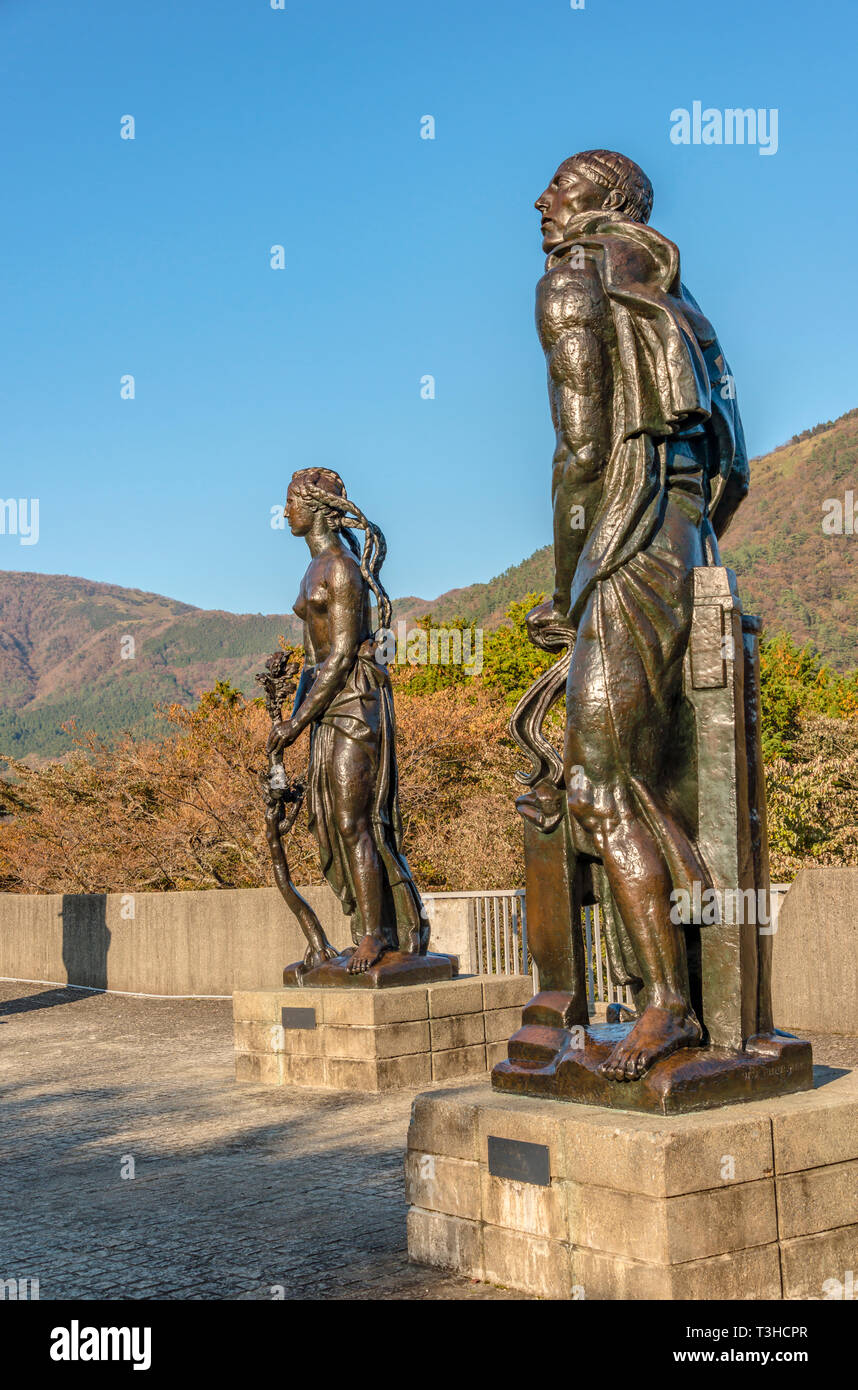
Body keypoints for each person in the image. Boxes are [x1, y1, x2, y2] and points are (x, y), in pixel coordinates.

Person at [267, 467, 427, 973]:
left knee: (354, 819)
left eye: (290, 501)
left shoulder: (340, 567)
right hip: (325, 702)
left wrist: (296, 723)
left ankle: (377, 936)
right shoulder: (311, 570)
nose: (284, 511)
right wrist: (290, 722)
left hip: (354, 702)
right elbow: (310, 662)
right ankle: (364, 928)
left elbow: (338, 657)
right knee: (327, 821)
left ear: (313, 507)